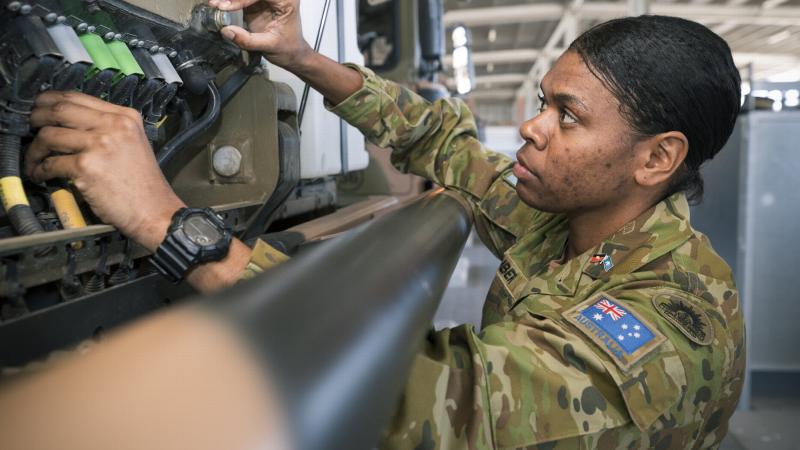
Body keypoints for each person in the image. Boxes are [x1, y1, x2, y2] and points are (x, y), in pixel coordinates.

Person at [24, 0, 745, 448]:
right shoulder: (565, 217)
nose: (531, 127)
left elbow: (437, 407)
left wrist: (165, 219)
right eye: (544, 100)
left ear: (657, 158)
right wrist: (302, 58)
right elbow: (442, 143)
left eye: (569, 116)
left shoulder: (668, 324)